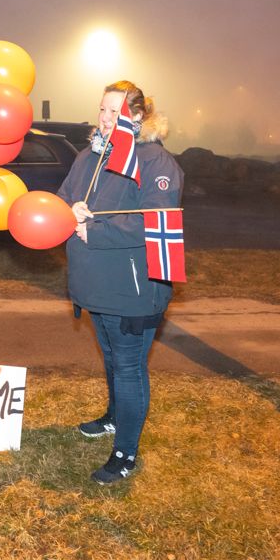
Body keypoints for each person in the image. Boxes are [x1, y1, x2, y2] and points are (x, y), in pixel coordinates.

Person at [56, 80, 183, 484]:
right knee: (110, 356)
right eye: (102, 111)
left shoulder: (155, 161)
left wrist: (98, 231)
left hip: (134, 288)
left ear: (138, 117)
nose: (107, 120)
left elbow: (158, 222)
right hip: (96, 282)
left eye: (116, 112)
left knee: (128, 367)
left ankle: (126, 453)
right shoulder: (90, 156)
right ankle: (114, 418)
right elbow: (62, 200)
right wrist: (69, 208)